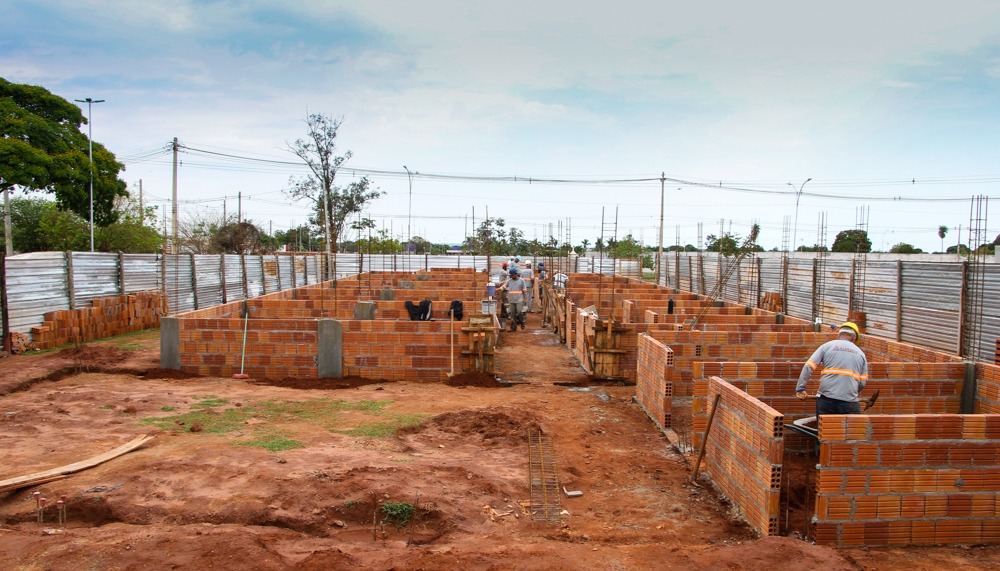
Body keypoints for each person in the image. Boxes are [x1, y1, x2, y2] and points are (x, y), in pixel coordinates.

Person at [795, 322, 868, 415]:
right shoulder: (861, 354)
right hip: (849, 402)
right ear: (854, 338)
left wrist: (800, 389)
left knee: (824, 428)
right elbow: (862, 382)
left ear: (839, 335)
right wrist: (850, 392)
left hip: (826, 399)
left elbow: (809, 366)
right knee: (851, 429)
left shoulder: (827, 346)